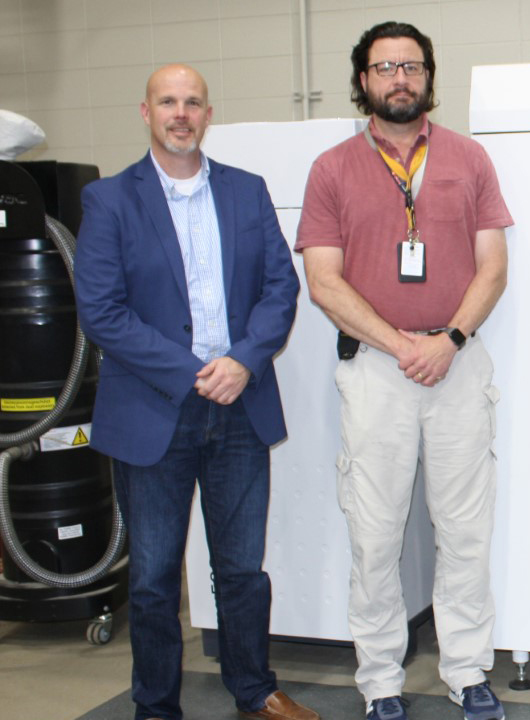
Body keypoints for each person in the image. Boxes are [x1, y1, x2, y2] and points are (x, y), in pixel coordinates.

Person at [73, 64, 311, 720]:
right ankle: (156, 707)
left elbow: (279, 289)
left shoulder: (246, 192)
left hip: (239, 409)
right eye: (168, 102)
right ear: (145, 112)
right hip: (156, 412)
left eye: (193, 102)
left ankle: (255, 691)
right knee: (152, 581)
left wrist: (242, 361)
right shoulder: (111, 201)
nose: (181, 113)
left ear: (209, 114)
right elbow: (101, 310)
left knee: (241, 571)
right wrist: (189, 371)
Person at [295, 21, 512, 720]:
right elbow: (323, 282)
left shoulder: (468, 160)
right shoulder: (332, 168)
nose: (400, 79)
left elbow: (493, 267)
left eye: (412, 67)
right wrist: (400, 344)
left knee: (465, 532)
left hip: (455, 362)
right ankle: (381, 681)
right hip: (378, 374)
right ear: (363, 80)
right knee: (376, 532)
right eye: (385, 67)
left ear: (429, 77)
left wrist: (447, 338)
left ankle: (468, 669)